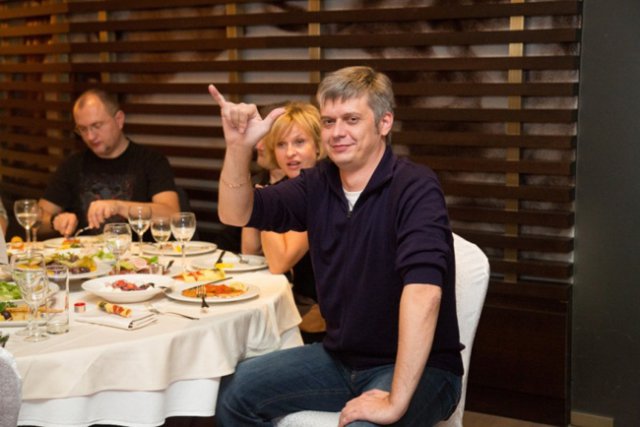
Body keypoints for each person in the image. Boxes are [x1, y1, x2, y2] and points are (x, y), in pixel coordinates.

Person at [209, 66, 462, 426]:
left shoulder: (415, 186)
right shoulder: (318, 183)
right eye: (328, 122)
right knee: (233, 394)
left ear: (384, 122)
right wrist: (238, 147)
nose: (337, 132)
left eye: (352, 119)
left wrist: (394, 402)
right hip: (340, 359)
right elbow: (235, 213)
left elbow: (424, 293)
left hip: (422, 369)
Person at [38, 89, 180, 237]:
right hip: (87, 251)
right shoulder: (72, 165)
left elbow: (172, 215)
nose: (90, 136)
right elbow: (38, 219)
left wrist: (119, 206)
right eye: (83, 129)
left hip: (139, 251)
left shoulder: (151, 161)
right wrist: (55, 221)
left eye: (96, 126)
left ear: (119, 120)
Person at [241, 102, 326, 340]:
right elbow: (250, 250)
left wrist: (264, 208)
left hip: (324, 319)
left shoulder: (322, 188)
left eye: (299, 142)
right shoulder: (283, 188)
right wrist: (258, 202)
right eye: (281, 144)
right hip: (293, 308)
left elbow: (280, 262)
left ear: (318, 146)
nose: (289, 153)